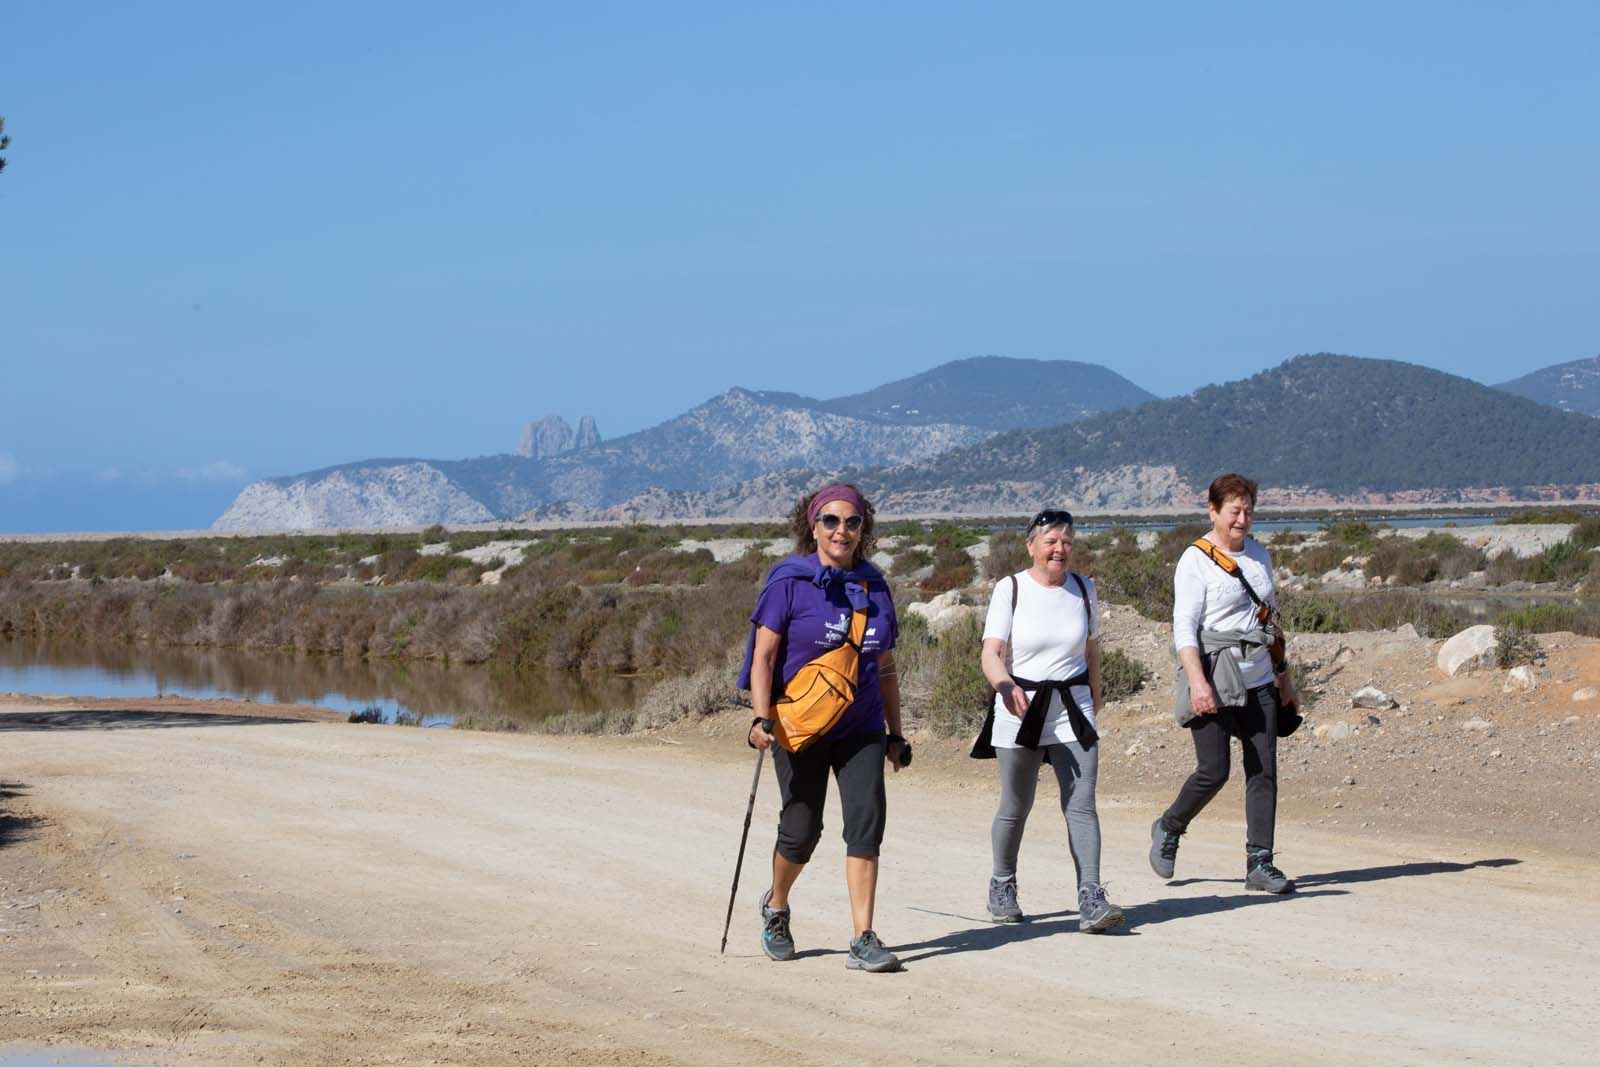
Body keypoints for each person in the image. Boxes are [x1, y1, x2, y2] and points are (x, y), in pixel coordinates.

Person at [739, 483, 911, 973]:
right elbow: (764, 657)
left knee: (865, 823)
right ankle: (776, 905)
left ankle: (863, 936)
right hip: (801, 725)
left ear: (864, 530)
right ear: (812, 526)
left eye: (852, 522)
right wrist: (759, 716)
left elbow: (887, 667)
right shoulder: (788, 582)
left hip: (861, 727)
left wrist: (895, 733)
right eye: (831, 521)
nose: (842, 530)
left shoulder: (875, 586)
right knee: (801, 829)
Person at [976, 508, 1124, 933]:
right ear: (1031, 546)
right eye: (1051, 542)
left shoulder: (1083, 588)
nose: (1060, 549)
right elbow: (991, 651)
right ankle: (1002, 883)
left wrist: (1095, 705)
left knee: (1081, 805)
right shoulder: (1011, 589)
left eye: (1067, 542)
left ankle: (1092, 896)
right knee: (1016, 804)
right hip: (1020, 707)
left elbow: (1092, 653)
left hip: (1072, 710)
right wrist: (1004, 685)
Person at [1150, 473, 1298, 893]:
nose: (1242, 518)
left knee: (1263, 769)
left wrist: (1284, 676)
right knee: (1214, 770)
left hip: (1258, 675)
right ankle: (1170, 826)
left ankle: (1260, 863)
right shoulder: (1194, 559)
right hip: (1213, 672)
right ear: (1213, 511)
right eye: (1234, 510)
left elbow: (1270, 619)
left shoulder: (1259, 556)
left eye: (1248, 510)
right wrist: (1197, 683)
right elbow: (1184, 627)